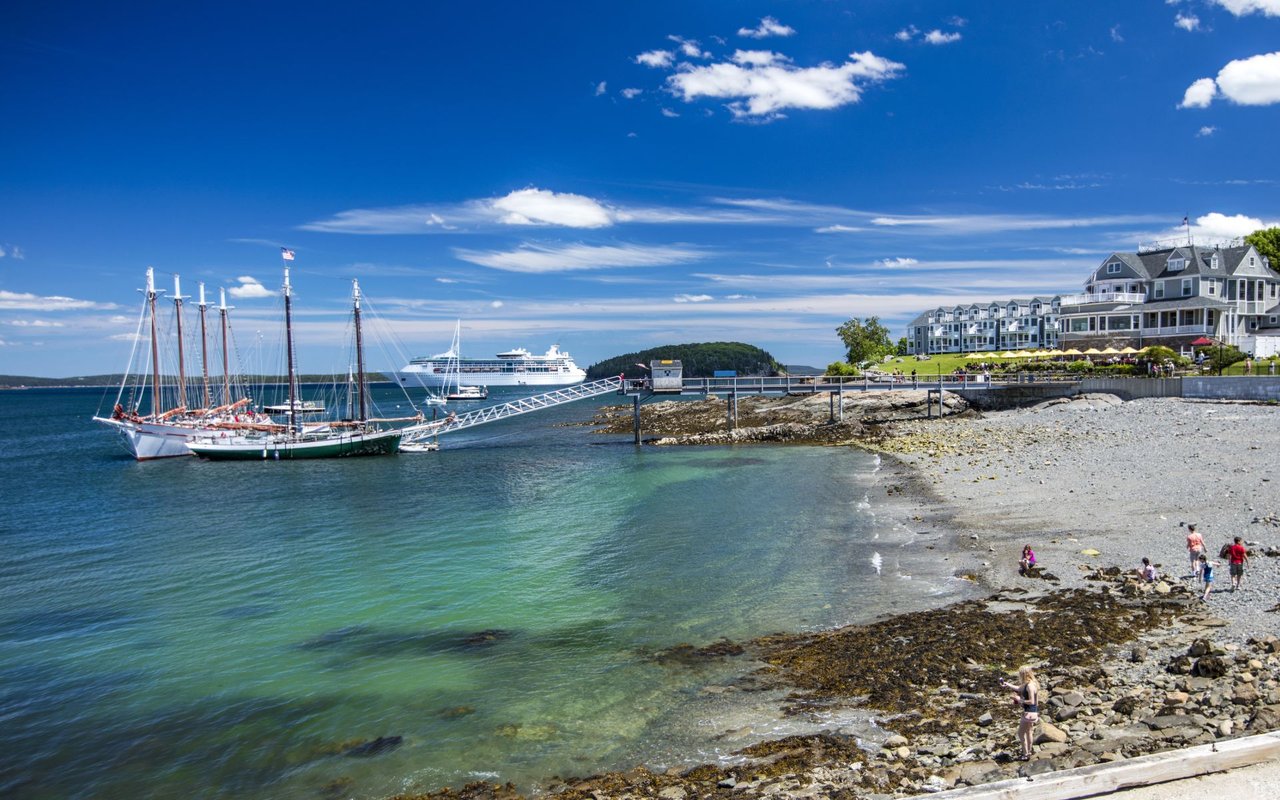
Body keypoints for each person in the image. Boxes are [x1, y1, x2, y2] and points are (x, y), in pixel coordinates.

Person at [1000, 666, 1040, 760]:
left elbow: (1032, 701)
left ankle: (1026, 754)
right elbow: (1019, 688)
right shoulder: (1032, 684)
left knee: (1021, 733)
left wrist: (1020, 700)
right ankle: (1029, 752)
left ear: (1023, 674)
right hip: (1033, 713)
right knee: (1029, 731)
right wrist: (1007, 684)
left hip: (1028, 713)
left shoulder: (1029, 686)